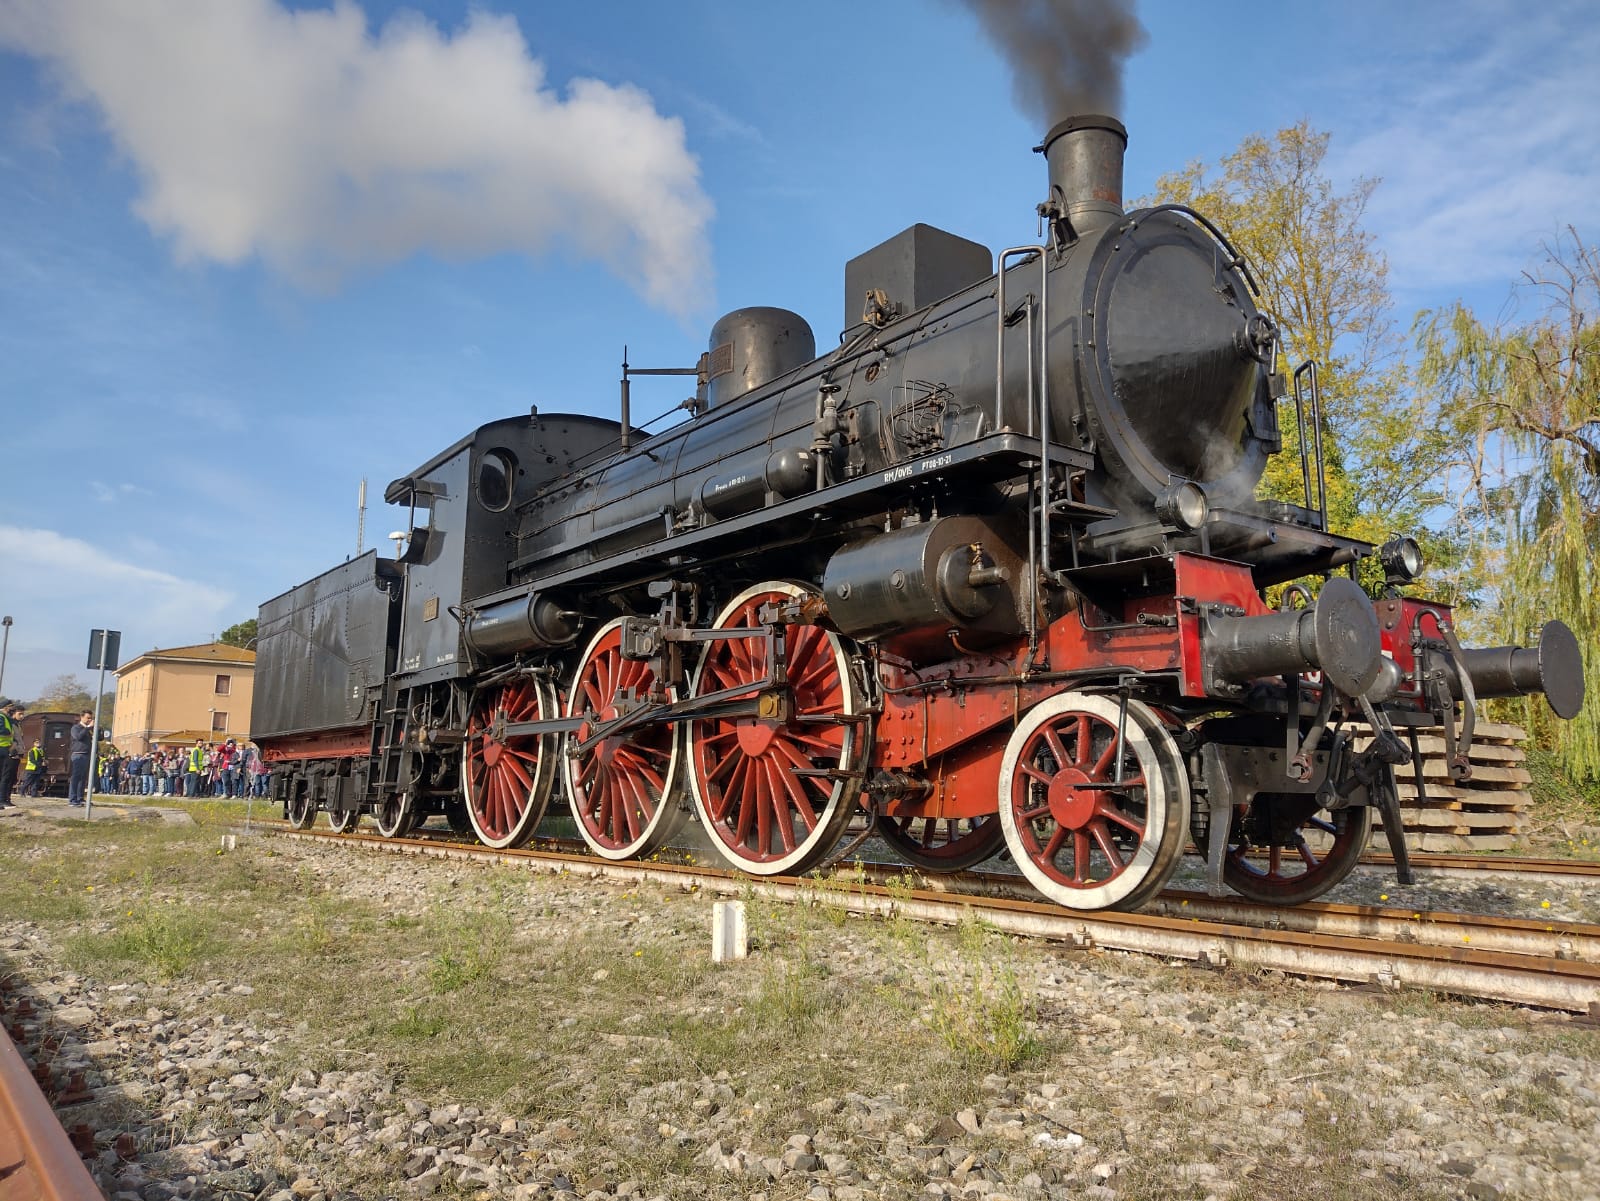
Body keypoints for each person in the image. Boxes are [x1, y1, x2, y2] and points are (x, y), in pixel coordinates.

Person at [0, 701, 23, 809]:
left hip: (9, 749)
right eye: (20, 713)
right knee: (5, 777)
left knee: (9, 777)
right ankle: (2, 800)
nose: (22, 716)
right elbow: (6, 732)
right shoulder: (3, 718)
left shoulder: (12, 721)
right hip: (4, 749)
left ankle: (5, 799)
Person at [68, 710, 93, 806]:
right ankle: (72, 799)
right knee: (76, 777)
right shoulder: (76, 728)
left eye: (91, 718)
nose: (89, 720)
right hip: (78, 754)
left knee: (83, 778)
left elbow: (99, 737)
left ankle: (80, 797)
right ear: (82, 717)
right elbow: (78, 737)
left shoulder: (89, 729)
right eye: (88, 718)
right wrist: (88, 728)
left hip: (86, 755)